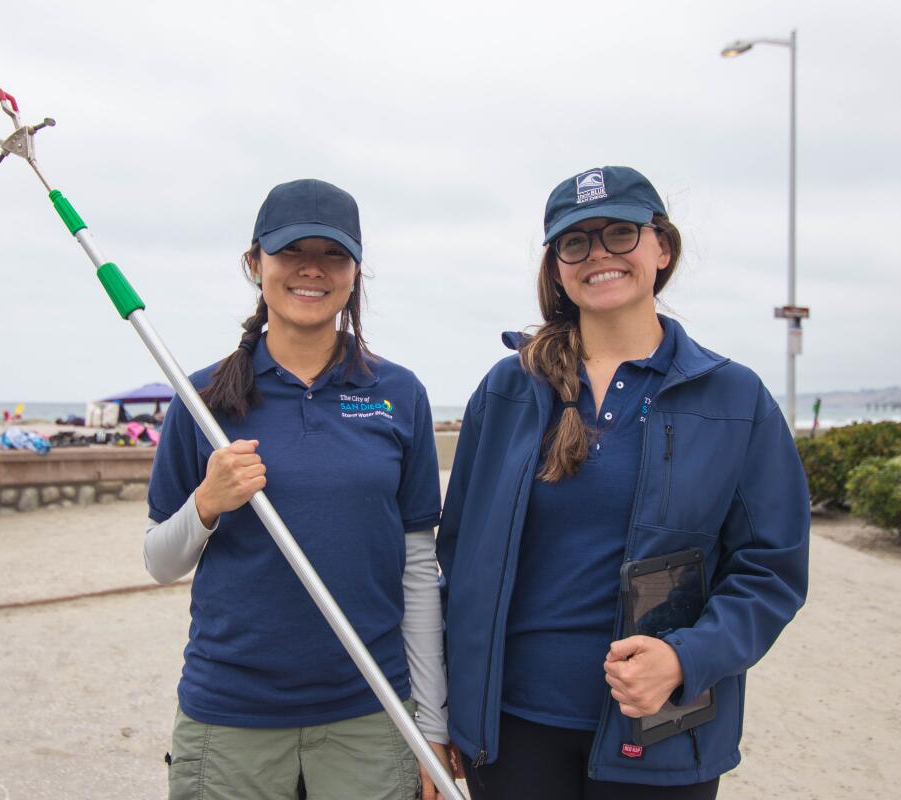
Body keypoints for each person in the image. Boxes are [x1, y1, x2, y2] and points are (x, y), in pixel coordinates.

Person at [437, 166, 810, 799]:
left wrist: (686, 659)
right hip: (511, 732)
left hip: (661, 735)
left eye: (620, 234)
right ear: (557, 266)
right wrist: (450, 709)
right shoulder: (506, 391)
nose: (599, 255)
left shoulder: (733, 397)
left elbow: (771, 568)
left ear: (662, 248)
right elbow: (458, 555)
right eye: (575, 242)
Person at [143, 179, 453, 800]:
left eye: (332, 255)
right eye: (291, 253)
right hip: (231, 712)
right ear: (255, 263)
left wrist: (433, 722)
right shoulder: (203, 399)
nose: (311, 270)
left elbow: (419, 567)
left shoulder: (398, 393)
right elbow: (159, 561)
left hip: (370, 709)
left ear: (355, 272)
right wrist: (206, 505)